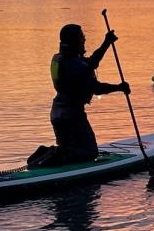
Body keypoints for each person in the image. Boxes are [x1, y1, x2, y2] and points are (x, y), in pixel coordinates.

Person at [48, 23, 129, 163]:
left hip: (58, 113)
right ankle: (53, 156)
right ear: (74, 40)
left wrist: (107, 42)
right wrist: (120, 88)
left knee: (70, 147)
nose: (84, 40)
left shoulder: (63, 59)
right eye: (81, 37)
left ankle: (58, 154)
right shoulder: (73, 65)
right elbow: (96, 87)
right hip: (71, 116)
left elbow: (91, 62)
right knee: (90, 152)